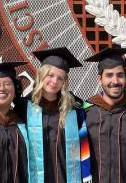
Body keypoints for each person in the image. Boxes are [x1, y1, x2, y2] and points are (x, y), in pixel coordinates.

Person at [83, 47, 126, 183]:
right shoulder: (86, 111)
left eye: (120, 75)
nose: (115, 81)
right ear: (99, 79)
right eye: (109, 75)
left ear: (125, 77)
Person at [26, 47, 86, 183]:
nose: (54, 82)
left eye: (60, 78)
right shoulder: (25, 106)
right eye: (50, 75)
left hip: (66, 176)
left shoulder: (74, 108)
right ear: (42, 75)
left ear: (64, 82)